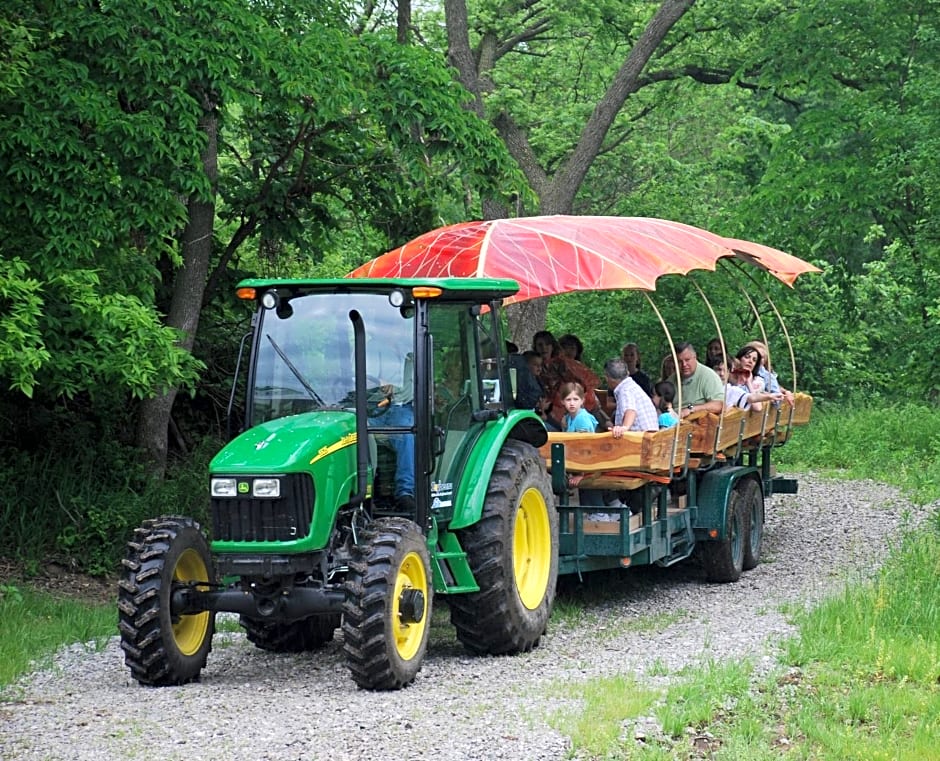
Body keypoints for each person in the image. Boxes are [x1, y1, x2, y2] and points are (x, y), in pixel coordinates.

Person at [371, 352, 415, 512]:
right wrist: (377, 385)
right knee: (353, 433)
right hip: (372, 406)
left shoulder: (413, 348)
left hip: (401, 407)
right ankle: (365, 490)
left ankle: (405, 492)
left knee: (407, 434)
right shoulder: (369, 346)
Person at [533, 330, 600, 429]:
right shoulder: (534, 365)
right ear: (535, 347)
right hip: (546, 408)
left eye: (547, 344)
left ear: (552, 346)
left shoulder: (563, 363)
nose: (544, 348)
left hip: (568, 404)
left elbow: (584, 383)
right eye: (540, 345)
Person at [604, 357, 658, 436]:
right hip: (651, 435)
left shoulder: (625, 391)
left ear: (608, 378)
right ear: (627, 372)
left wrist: (624, 428)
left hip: (642, 438)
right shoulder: (631, 386)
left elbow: (631, 410)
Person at [671, 342, 725, 419]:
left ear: (695, 357)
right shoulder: (671, 381)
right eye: (679, 361)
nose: (684, 365)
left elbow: (719, 404)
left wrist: (690, 409)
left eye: (687, 360)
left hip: (699, 426)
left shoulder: (708, 376)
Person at [745, 340, 796, 407]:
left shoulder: (766, 376)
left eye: (762, 357)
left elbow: (776, 394)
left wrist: (765, 396)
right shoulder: (737, 372)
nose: (758, 359)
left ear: (765, 360)